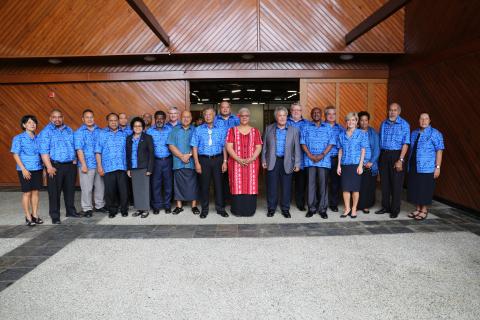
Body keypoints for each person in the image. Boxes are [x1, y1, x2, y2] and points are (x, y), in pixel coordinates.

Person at [39, 109, 79, 224]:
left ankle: (70, 211)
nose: (57, 119)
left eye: (59, 117)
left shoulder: (69, 130)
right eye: (54, 117)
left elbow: (73, 145)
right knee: (54, 192)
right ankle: (55, 215)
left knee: (70, 190)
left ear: (63, 118)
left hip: (70, 166)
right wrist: (49, 166)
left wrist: (75, 158)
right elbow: (43, 151)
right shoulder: (46, 132)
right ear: (50, 118)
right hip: (54, 166)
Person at [261, 106, 301, 218]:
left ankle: (285, 209)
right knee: (272, 187)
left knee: (286, 187)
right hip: (272, 161)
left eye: (284, 115)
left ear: (287, 117)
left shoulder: (294, 130)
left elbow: (297, 148)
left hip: (288, 162)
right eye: (280, 115)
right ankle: (271, 208)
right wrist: (263, 159)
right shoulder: (269, 128)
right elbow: (264, 146)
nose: (282, 118)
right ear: (276, 117)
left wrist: (297, 163)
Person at [191, 107, 229, 219]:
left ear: (214, 116)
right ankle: (205, 209)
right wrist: (197, 163)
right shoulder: (198, 129)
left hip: (218, 159)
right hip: (203, 160)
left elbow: (224, 146)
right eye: (206, 114)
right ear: (203, 116)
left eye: (210, 114)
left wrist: (225, 161)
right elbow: (194, 147)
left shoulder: (221, 129)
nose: (208, 116)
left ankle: (220, 209)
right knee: (204, 186)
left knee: (219, 185)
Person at [225, 108, 263, 216]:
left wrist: (252, 158)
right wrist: (238, 159)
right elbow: (229, 146)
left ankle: (249, 210)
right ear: (238, 116)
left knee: (250, 185)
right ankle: (237, 210)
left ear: (249, 117)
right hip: (235, 163)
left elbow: (259, 147)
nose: (244, 117)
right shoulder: (232, 130)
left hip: (252, 163)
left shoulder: (255, 131)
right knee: (236, 185)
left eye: (246, 115)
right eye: (242, 116)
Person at [407, 113, 444, 220]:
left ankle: (424, 210)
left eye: (426, 119)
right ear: (419, 120)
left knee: (425, 188)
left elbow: (439, 151)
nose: (423, 121)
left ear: (430, 120)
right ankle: (418, 208)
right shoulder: (414, 133)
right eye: (421, 119)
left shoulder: (435, 133)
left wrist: (437, 167)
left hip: (427, 167)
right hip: (414, 165)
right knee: (416, 188)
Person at [376, 103, 410, 218]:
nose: (392, 112)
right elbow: (380, 141)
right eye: (390, 110)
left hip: (397, 155)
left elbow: (406, 143)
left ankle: (395, 209)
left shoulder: (404, 124)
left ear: (399, 112)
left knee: (396, 184)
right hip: (384, 155)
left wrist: (400, 160)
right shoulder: (383, 124)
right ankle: (385, 207)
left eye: (395, 110)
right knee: (384, 183)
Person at [300, 107, 335, 219]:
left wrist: (322, 155)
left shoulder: (328, 127)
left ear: (321, 115)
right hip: (309, 161)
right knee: (311, 185)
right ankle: (311, 208)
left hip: (323, 161)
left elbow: (331, 143)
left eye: (318, 113)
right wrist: (310, 155)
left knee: (323, 185)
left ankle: (323, 209)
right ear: (311, 114)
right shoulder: (305, 127)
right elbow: (302, 142)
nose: (316, 114)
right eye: (314, 113)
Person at [11, 115, 44, 226]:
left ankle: (34, 215)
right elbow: (15, 154)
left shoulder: (38, 138)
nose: (32, 124)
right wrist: (23, 169)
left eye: (34, 122)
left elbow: (41, 154)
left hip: (38, 168)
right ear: (24, 125)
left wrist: (43, 169)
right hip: (24, 169)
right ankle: (28, 216)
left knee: (35, 192)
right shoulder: (18, 138)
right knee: (27, 193)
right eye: (29, 122)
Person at [95, 113, 129, 218]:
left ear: (118, 121)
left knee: (124, 190)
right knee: (110, 191)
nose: (113, 122)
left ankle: (124, 209)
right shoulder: (101, 134)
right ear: (108, 121)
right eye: (111, 120)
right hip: (108, 167)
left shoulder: (124, 134)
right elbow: (97, 151)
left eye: (115, 120)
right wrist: (100, 166)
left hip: (122, 166)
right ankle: (112, 210)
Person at [167, 110, 200, 215]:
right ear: (181, 118)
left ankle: (194, 206)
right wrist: (182, 156)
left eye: (188, 117)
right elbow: (171, 145)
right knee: (178, 185)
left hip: (192, 162)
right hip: (178, 162)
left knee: (193, 184)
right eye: (184, 117)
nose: (186, 119)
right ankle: (178, 206)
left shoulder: (196, 130)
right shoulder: (174, 130)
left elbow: (198, 145)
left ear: (191, 119)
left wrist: (189, 155)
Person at [337, 112, 368, 219]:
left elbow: (363, 150)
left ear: (356, 122)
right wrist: (338, 165)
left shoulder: (361, 133)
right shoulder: (342, 135)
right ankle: (347, 208)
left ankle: (354, 208)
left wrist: (360, 166)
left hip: (356, 165)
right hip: (345, 164)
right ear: (346, 122)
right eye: (348, 120)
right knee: (345, 189)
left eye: (353, 120)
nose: (350, 122)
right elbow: (340, 150)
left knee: (355, 189)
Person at [74, 109, 105, 217]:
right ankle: (87, 208)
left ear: (94, 118)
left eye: (91, 117)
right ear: (83, 119)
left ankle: (99, 205)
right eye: (87, 117)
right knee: (87, 188)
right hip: (86, 164)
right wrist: (83, 164)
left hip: (99, 164)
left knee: (100, 186)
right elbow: (79, 149)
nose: (89, 119)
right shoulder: (79, 132)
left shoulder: (100, 131)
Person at [126, 117, 154, 218]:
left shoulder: (148, 137)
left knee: (144, 189)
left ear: (143, 127)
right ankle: (138, 209)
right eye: (135, 126)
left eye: (139, 126)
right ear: (132, 127)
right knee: (136, 189)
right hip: (133, 167)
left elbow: (151, 154)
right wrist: (128, 168)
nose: (137, 128)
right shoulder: (129, 138)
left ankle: (145, 209)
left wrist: (150, 169)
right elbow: (127, 155)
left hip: (144, 167)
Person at [147, 111, 173, 214]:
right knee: (155, 184)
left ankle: (167, 205)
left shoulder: (170, 130)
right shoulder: (149, 131)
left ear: (165, 119)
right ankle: (156, 206)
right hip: (155, 162)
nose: (159, 120)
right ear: (155, 119)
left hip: (168, 160)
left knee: (168, 184)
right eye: (157, 118)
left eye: (162, 118)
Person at [215, 101, 240, 206]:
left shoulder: (236, 120)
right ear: (220, 108)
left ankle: (233, 199)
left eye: (227, 107)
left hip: (234, 152)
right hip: (219, 152)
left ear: (230, 108)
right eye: (223, 107)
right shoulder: (215, 119)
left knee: (234, 176)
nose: (225, 109)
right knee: (221, 177)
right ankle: (222, 200)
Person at [287, 102, 310, 211]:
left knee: (301, 183)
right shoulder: (284, 122)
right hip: (287, 158)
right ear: (290, 111)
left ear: (301, 112)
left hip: (303, 159)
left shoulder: (308, 124)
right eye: (294, 110)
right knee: (286, 183)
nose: (296, 112)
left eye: (298, 110)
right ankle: (285, 203)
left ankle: (300, 203)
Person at [357, 111, 380, 213]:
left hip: (370, 164)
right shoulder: (355, 131)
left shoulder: (373, 133)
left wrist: (371, 162)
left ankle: (366, 205)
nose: (364, 122)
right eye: (361, 120)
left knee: (368, 186)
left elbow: (377, 149)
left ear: (368, 121)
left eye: (366, 120)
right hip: (358, 163)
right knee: (358, 185)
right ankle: (357, 205)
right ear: (358, 121)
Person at [324, 106, 344, 213]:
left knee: (335, 183)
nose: (331, 116)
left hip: (336, 159)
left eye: (334, 114)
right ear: (325, 115)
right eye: (329, 114)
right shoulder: (321, 127)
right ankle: (322, 203)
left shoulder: (341, 129)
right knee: (322, 182)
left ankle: (333, 204)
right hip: (323, 159)